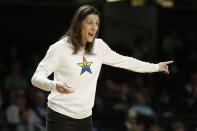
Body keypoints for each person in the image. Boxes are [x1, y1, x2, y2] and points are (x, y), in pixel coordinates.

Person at [31, 4, 173, 131]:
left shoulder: (99, 47)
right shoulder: (59, 49)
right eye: (90, 23)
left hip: (85, 117)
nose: (94, 28)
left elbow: (126, 61)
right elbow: (36, 78)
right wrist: (55, 85)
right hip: (60, 115)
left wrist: (156, 67)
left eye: (97, 23)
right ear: (79, 24)